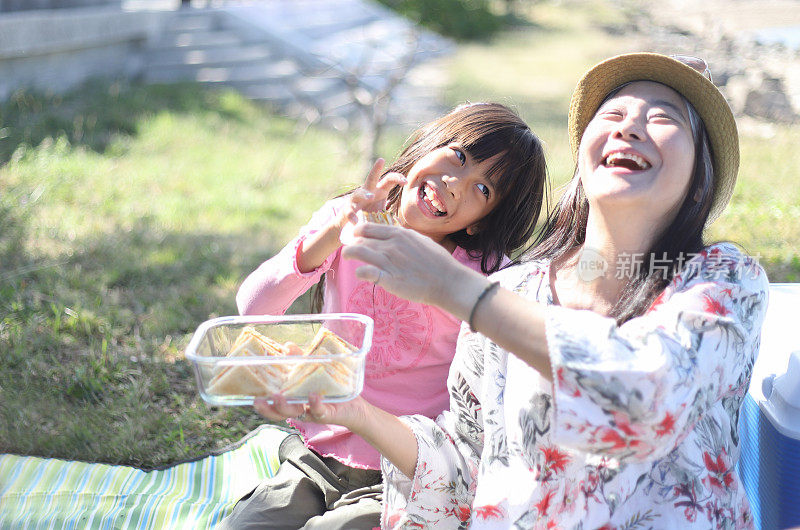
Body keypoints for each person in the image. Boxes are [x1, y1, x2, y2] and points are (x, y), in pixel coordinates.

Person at [279, 52, 769, 528]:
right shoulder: (515, 288)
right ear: (582, 161)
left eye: (663, 119)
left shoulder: (722, 282)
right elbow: (465, 463)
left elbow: (649, 394)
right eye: (614, 113)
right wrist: (355, 411)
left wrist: (459, 290)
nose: (629, 126)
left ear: (700, 182)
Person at [219, 102, 548, 529]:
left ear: (481, 223)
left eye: (482, 190)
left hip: (399, 472)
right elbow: (254, 308)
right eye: (459, 156)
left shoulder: (479, 279)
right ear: (429, 144)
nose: (453, 184)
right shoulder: (349, 221)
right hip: (314, 452)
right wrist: (336, 232)